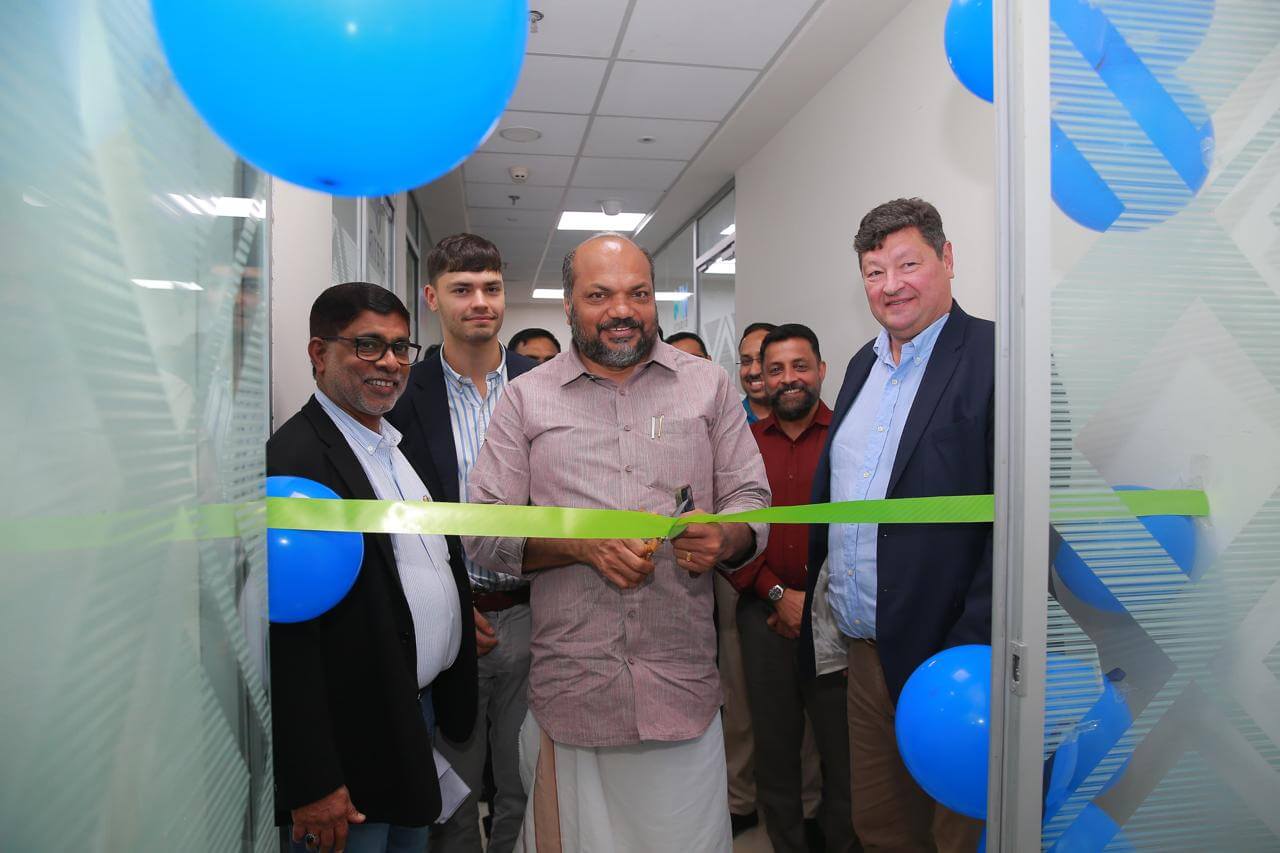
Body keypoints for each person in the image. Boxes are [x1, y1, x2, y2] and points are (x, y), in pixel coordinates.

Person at [464, 232, 771, 852]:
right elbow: (482, 530)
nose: (622, 309)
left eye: (639, 293)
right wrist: (581, 545)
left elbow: (752, 501)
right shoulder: (526, 398)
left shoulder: (708, 387)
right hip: (576, 693)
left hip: (680, 691)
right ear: (569, 306)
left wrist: (726, 536)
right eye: (599, 295)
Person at [800, 198, 992, 853]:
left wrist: (974, 642)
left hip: (955, 657)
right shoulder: (860, 365)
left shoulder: (1000, 357)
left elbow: (1027, 517)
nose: (891, 285)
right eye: (874, 272)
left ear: (948, 259)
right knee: (880, 825)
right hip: (865, 651)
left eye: (908, 263)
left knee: (957, 830)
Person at [268, 282, 477, 853]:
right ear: (318, 353)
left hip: (413, 717)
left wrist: (453, 613)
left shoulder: (391, 445)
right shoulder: (298, 461)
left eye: (401, 347)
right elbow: (289, 641)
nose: (390, 362)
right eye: (367, 346)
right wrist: (313, 781)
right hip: (350, 740)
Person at [387, 234, 536, 853]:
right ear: (432, 297)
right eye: (462, 290)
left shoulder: (544, 384)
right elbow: (394, 521)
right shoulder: (400, 395)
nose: (481, 302)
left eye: (492, 288)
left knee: (525, 780)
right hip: (449, 623)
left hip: (536, 612)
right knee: (452, 787)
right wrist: (451, 601)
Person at [730, 323, 857, 853]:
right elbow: (726, 536)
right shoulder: (741, 446)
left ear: (821, 370)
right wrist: (779, 595)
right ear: (761, 375)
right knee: (776, 750)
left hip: (837, 617)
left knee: (844, 752)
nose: (788, 379)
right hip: (762, 612)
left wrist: (813, 603)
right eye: (774, 368)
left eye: (799, 366)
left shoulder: (850, 435)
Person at [738, 322, 777, 424]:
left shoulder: (804, 418)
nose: (753, 371)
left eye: (762, 359)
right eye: (746, 361)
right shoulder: (727, 420)